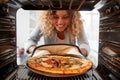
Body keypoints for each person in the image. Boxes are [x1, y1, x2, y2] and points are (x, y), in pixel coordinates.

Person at [24, 10, 90, 57]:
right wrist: (37, 51)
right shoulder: (44, 23)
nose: (60, 22)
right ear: (49, 17)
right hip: (49, 61)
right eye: (55, 17)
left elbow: (84, 43)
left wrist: (78, 52)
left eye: (65, 17)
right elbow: (30, 40)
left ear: (72, 17)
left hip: (69, 61)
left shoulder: (77, 24)